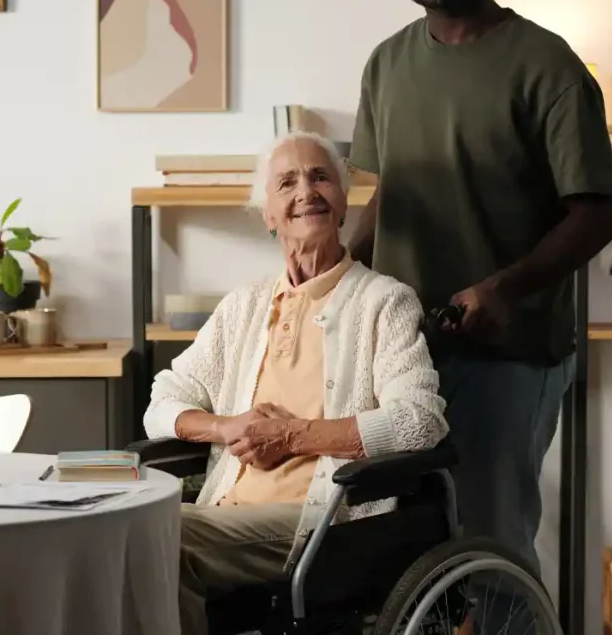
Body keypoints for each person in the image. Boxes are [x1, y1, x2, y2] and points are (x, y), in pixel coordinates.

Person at [348, 0, 612, 626]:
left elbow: (595, 214)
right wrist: (337, 279)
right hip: (402, 352)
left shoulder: (547, 63)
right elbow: (386, 195)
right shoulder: (386, 64)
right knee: (402, 550)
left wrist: (505, 287)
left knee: (491, 550)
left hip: (511, 353)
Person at [144, 131, 449, 635]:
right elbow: (163, 401)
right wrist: (227, 429)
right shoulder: (244, 306)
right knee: (130, 534)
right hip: (225, 514)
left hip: (323, 521)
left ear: (343, 202)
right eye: (286, 182)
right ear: (267, 214)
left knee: (158, 537)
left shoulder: (383, 302)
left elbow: (419, 422)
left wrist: (291, 436)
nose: (305, 191)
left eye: (320, 177)